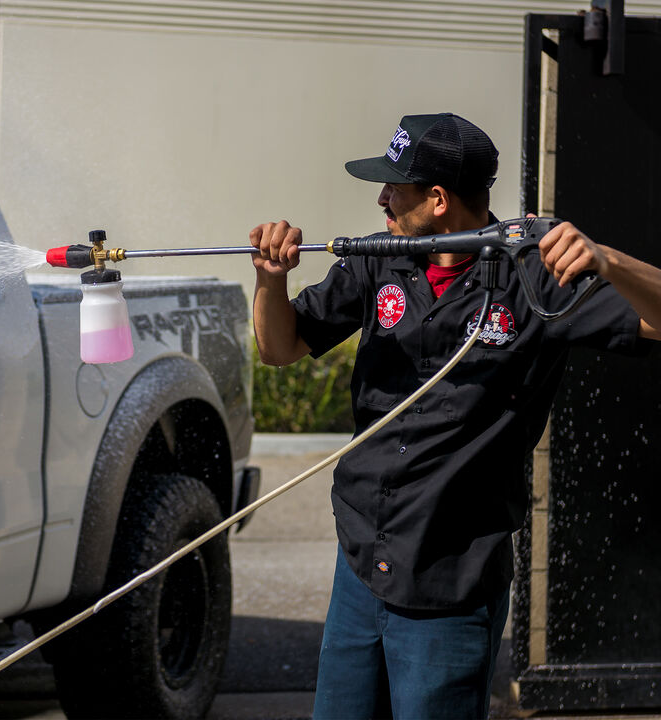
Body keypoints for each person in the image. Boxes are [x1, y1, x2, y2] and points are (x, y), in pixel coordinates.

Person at [249, 112, 661, 720]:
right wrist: (270, 280)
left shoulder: (534, 275)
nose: (382, 198)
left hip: (450, 579)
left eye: (395, 186)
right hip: (363, 560)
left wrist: (608, 260)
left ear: (438, 199)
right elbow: (280, 348)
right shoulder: (378, 258)